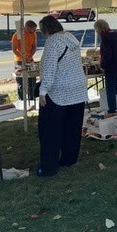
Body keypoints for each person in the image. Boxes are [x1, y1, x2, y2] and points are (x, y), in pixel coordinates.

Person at [37, 15, 88, 177]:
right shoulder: (70, 37)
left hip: (59, 91)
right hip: (78, 88)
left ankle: (48, 167)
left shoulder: (53, 42)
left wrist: (43, 90)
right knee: (72, 127)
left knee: (50, 131)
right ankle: (69, 159)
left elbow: (50, 68)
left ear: (46, 29)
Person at [94, 19, 117, 114]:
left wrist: (102, 65)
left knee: (111, 91)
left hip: (112, 68)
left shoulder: (106, 37)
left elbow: (107, 54)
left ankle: (112, 110)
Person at [12, 20, 38, 100]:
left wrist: (30, 57)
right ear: (27, 28)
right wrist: (22, 58)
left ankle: (31, 97)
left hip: (30, 59)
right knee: (21, 81)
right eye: (32, 29)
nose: (33, 31)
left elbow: (34, 47)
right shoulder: (17, 35)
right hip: (19, 60)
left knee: (32, 80)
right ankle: (21, 99)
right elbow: (14, 49)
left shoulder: (33, 34)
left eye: (34, 29)